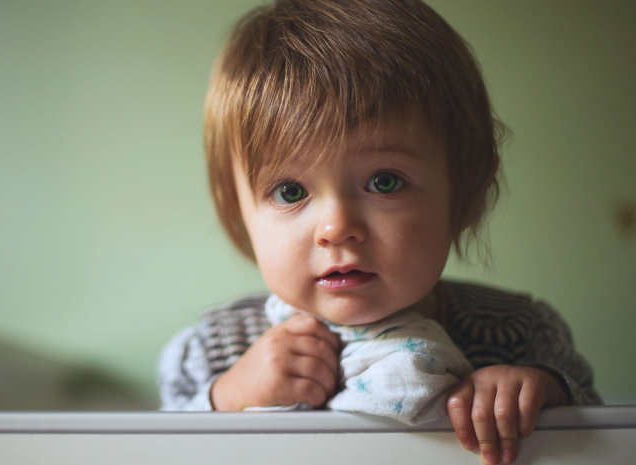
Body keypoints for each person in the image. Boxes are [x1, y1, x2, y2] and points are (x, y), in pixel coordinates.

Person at [157, 0, 601, 464]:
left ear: (466, 190)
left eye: (384, 182)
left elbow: (603, 437)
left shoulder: (517, 334)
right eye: (290, 191)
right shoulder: (216, 348)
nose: (337, 229)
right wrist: (225, 400)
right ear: (237, 207)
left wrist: (542, 397)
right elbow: (154, 446)